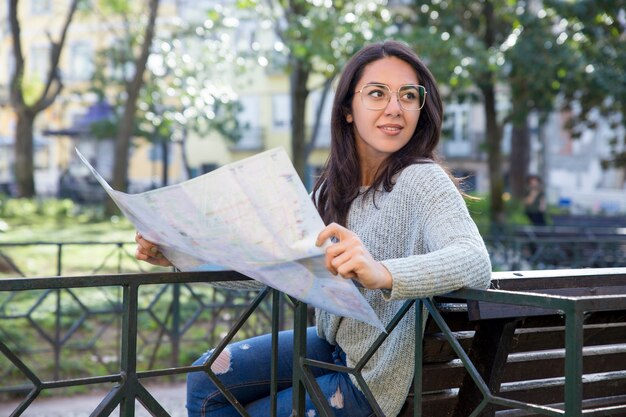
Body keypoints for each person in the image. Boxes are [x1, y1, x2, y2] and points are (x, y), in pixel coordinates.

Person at [135, 40, 492, 417]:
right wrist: (180, 255)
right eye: (377, 94)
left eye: (408, 95)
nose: (394, 108)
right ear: (347, 110)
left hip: (372, 376)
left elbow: (473, 260)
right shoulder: (332, 189)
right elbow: (275, 264)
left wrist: (382, 273)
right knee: (208, 378)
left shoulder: (423, 180)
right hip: (335, 346)